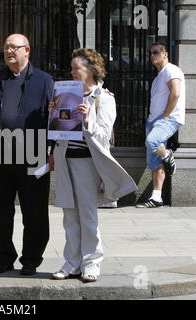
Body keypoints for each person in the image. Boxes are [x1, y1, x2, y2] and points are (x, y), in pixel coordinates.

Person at [50, 48, 137, 282]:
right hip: (65, 160)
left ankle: (92, 263)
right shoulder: (67, 95)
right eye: (72, 68)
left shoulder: (103, 98)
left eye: (76, 68)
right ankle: (72, 262)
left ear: (90, 70)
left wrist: (88, 118)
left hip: (88, 164)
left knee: (87, 215)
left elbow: (104, 137)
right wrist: (54, 117)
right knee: (69, 214)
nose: (72, 72)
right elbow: (59, 133)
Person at [0, 34, 53, 276]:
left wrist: (50, 151)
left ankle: (31, 259)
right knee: (1, 211)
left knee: (34, 211)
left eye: (14, 47)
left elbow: (54, 119)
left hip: (33, 151)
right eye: (6, 48)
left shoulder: (44, 80)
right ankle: (4, 258)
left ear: (27, 50)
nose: (9, 51)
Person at [136, 42, 185, 208]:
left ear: (165, 54)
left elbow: (176, 93)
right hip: (154, 120)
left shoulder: (171, 70)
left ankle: (167, 155)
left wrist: (165, 115)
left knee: (153, 142)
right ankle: (156, 197)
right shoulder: (158, 77)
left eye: (156, 52)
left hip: (167, 119)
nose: (153, 55)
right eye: (151, 53)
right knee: (154, 161)